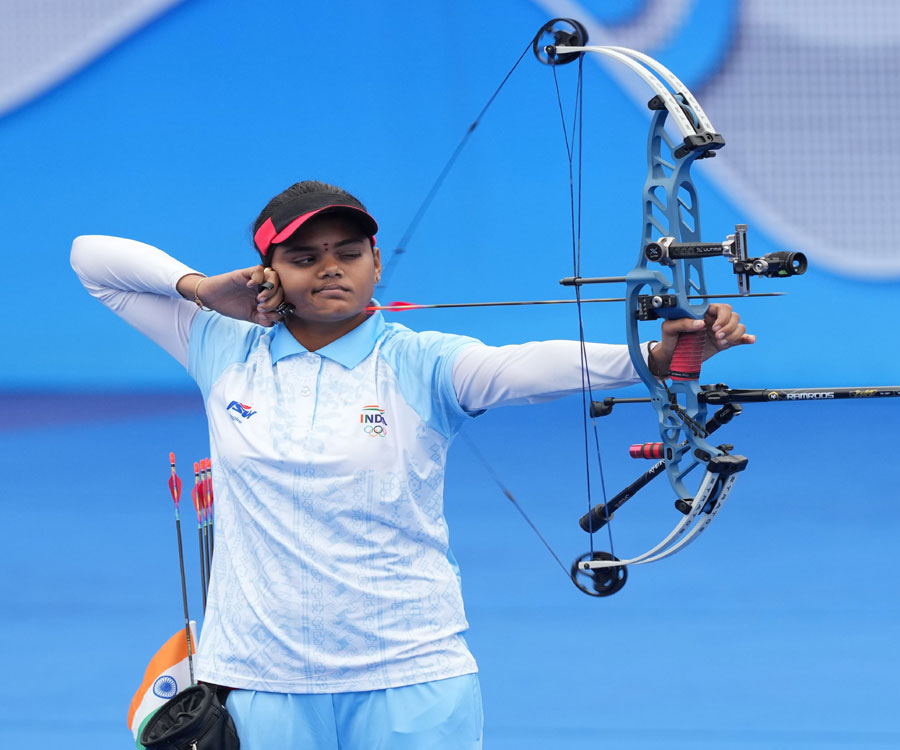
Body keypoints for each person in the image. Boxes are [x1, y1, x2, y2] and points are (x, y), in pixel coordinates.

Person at [70, 180, 753, 749]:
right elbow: (91, 260)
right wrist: (198, 287)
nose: (329, 267)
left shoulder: (420, 360)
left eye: (347, 251)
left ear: (375, 263)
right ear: (267, 272)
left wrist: (656, 358)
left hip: (411, 677)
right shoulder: (218, 345)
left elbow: (522, 366)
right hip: (260, 679)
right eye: (304, 256)